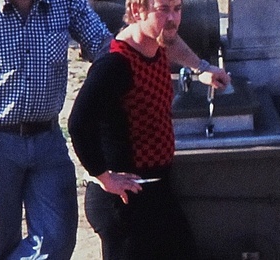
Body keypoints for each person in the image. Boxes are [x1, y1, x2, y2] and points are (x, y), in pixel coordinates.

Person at [0, 0, 229, 257]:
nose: (174, 14)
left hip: (48, 139)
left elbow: (118, 45)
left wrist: (199, 67)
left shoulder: (63, 4)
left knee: (57, 242)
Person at [67, 0, 197, 257]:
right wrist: (104, 176)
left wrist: (202, 69)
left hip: (155, 193)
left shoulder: (156, 48)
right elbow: (79, 123)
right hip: (123, 202)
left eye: (177, 8)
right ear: (138, 10)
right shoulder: (115, 64)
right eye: (163, 9)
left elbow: (174, 41)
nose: (173, 18)